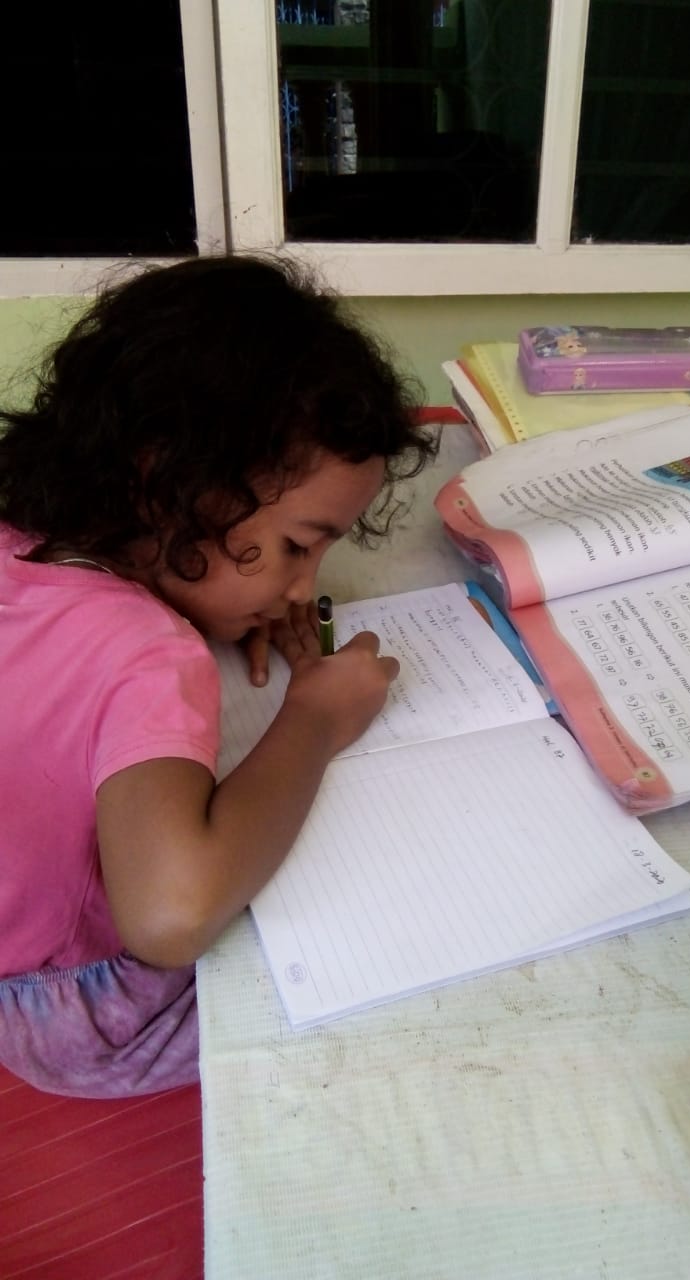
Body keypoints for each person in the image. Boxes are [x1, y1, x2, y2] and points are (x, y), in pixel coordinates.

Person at [0, 254, 437, 1098]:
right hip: (84, 1022)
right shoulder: (146, 652)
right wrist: (314, 718)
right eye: (297, 546)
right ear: (173, 483)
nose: (304, 590)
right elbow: (173, 917)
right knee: (383, 954)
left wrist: (234, 593)